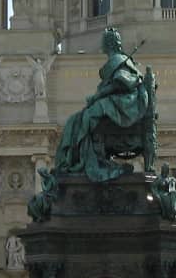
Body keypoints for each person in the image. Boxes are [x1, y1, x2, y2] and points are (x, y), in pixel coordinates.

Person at [53, 27, 151, 182]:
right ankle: (83, 161)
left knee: (87, 117)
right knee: (76, 119)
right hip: (118, 100)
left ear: (108, 44)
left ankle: (90, 161)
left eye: (104, 42)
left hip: (126, 103)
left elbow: (122, 82)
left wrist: (99, 95)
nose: (101, 45)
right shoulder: (118, 59)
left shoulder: (118, 60)